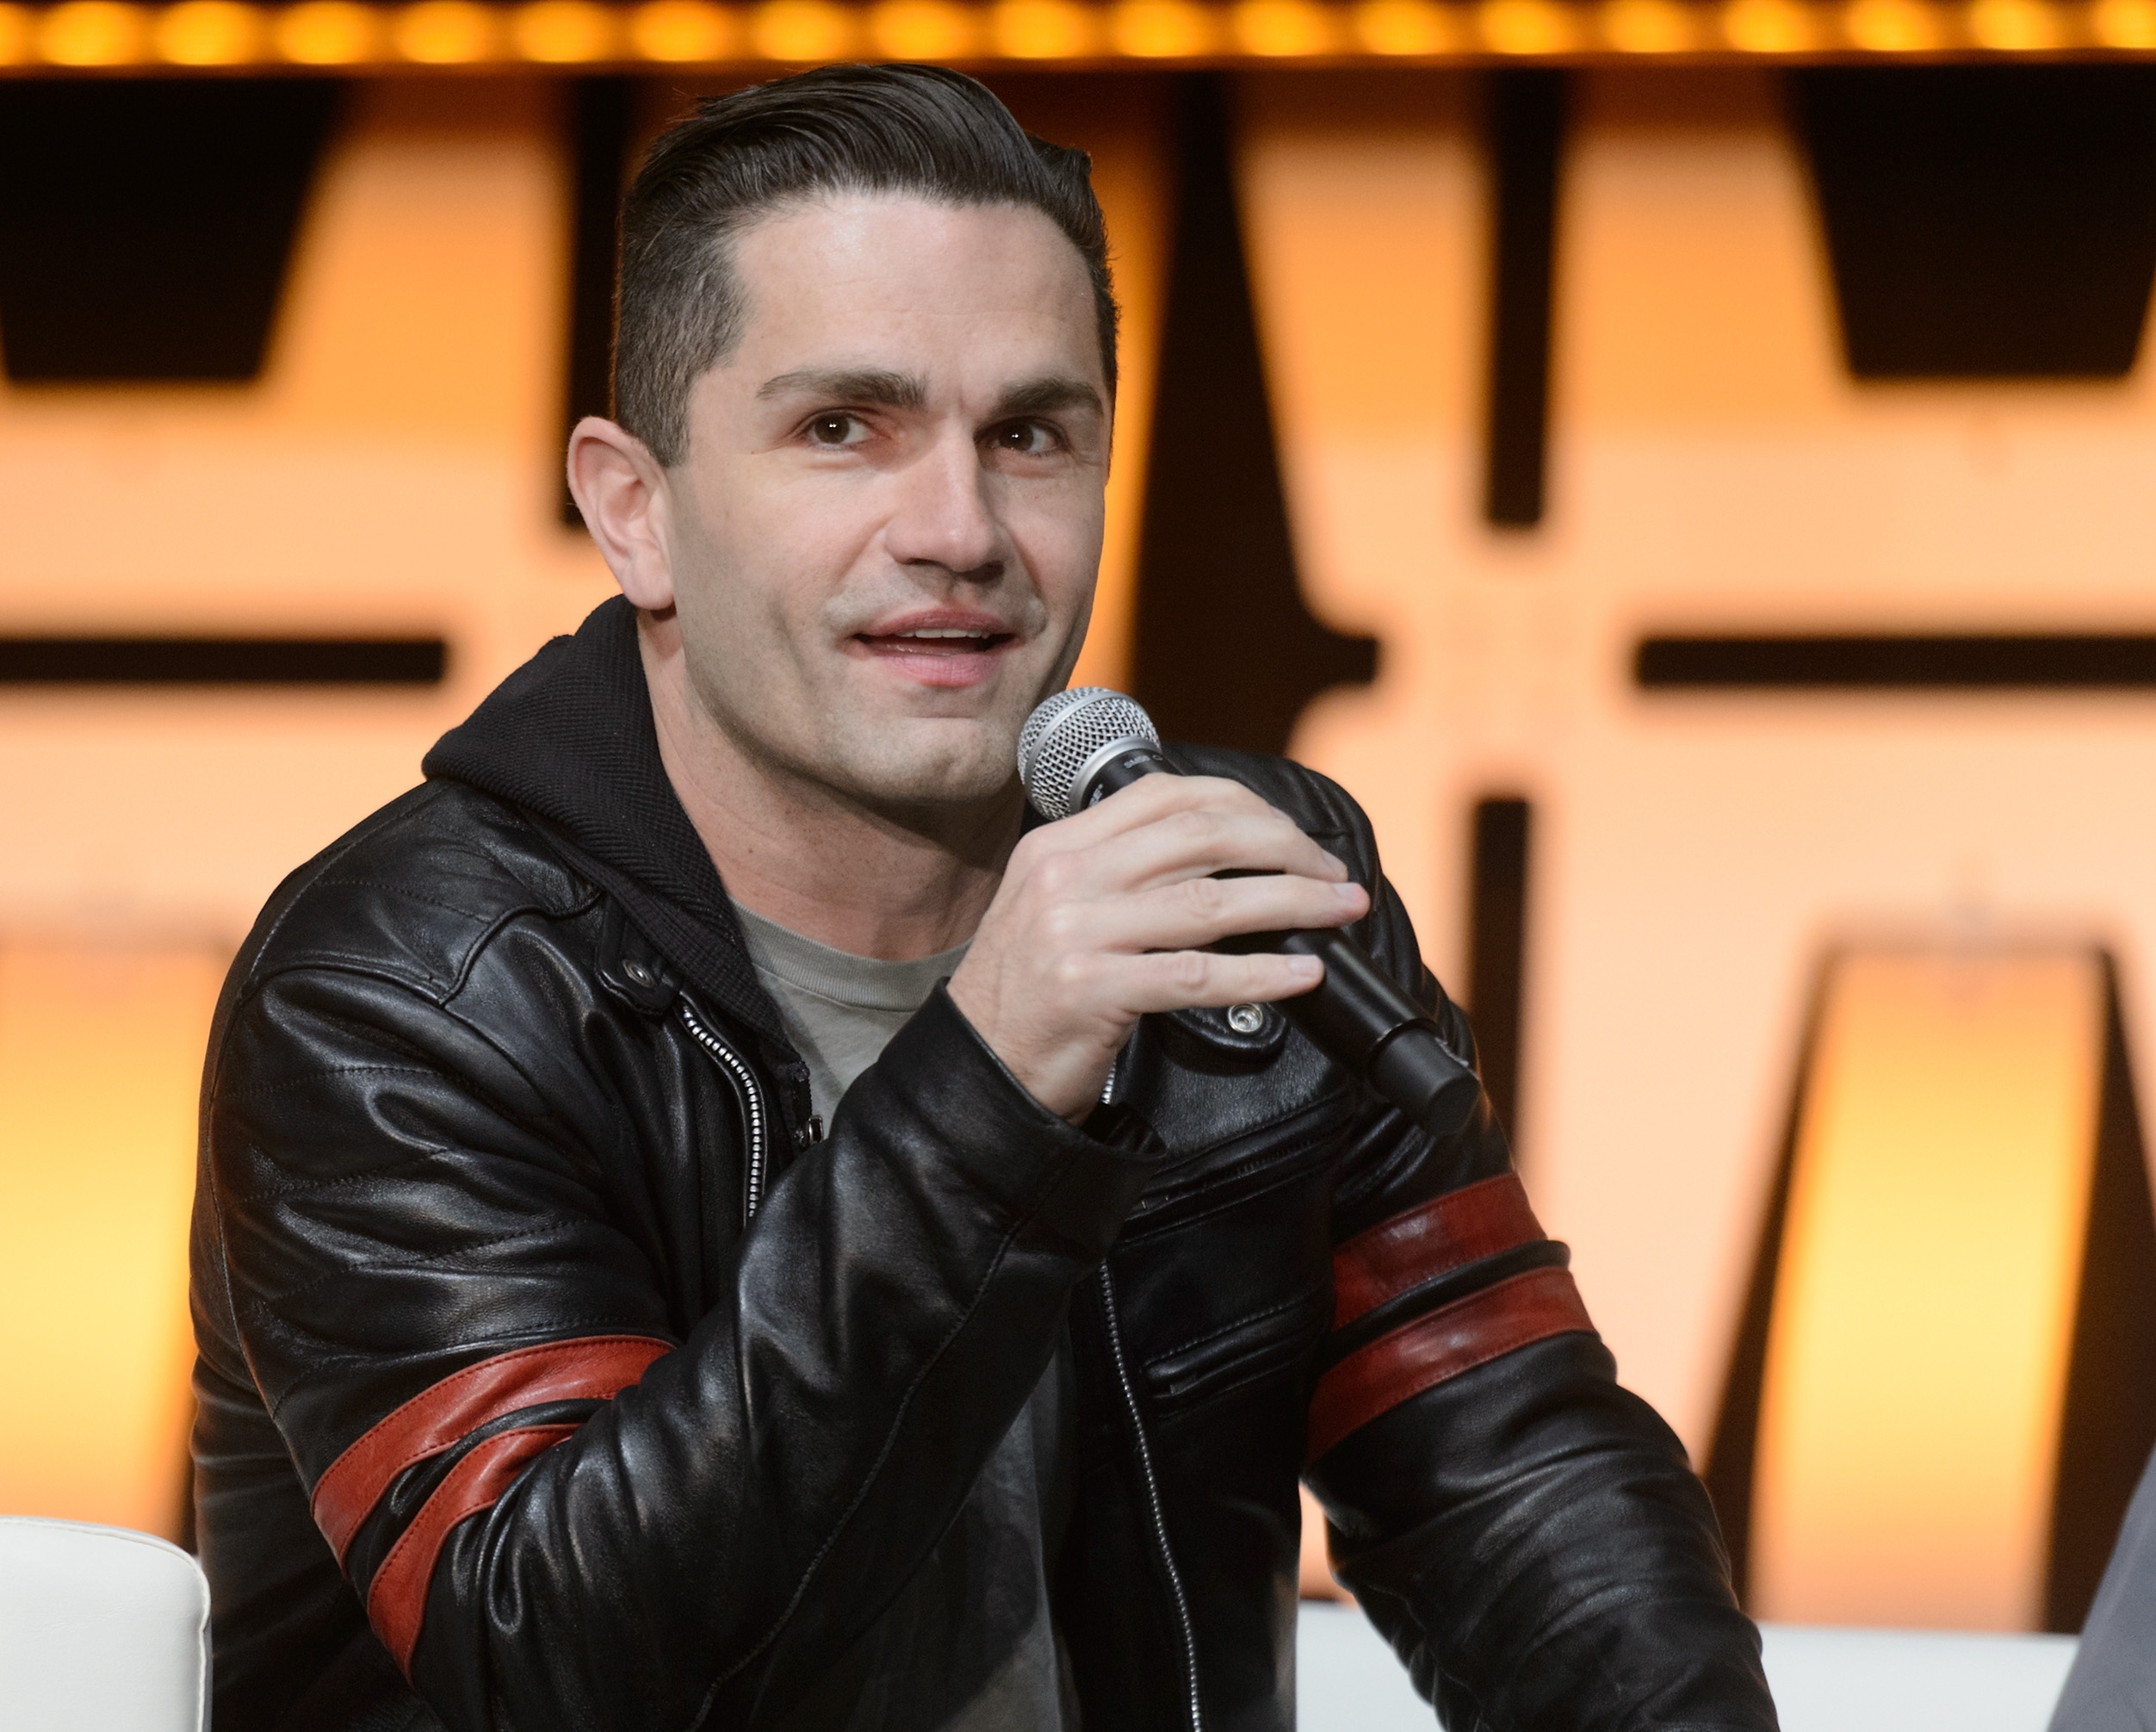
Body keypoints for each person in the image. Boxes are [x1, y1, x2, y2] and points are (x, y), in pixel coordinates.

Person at [189, 64, 1775, 1732]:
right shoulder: (401, 991)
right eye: (842, 429)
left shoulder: (1240, 884)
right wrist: (992, 1080)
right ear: (633, 510)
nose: (958, 529)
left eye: (1028, 436)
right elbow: (556, 1660)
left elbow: (1513, 1473)